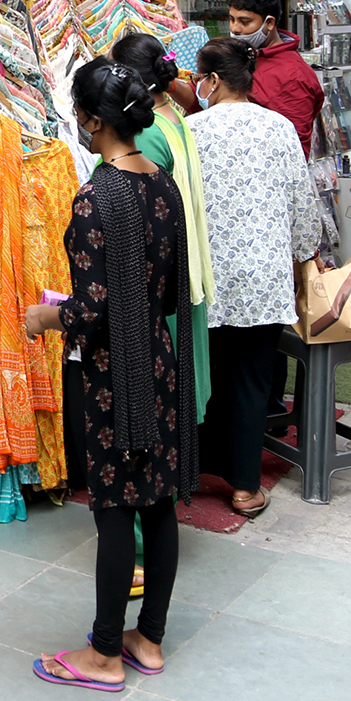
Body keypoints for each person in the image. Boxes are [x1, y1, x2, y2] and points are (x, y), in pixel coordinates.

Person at [25, 57, 197, 692]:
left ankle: (102, 654)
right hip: (158, 361)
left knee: (115, 508)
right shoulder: (163, 185)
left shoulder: (97, 197)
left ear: (92, 122)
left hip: (110, 375)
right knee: (157, 502)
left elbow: (90, 310)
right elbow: (171, 293)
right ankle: (147, 639)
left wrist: (46, 316)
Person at [188, 36, 321, 517]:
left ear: (213, 80)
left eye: (199, 77)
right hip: (263, 278)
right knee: (251, 380)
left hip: (208, 277)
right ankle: (245, 487)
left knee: (206, 373)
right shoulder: (279, 128)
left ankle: (194, 470)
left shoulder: (191, 130)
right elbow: (302, 205)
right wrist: (305, 259)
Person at [110, 32, 215, 597]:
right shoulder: (173, 116)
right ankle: (156, 533)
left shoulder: (146, 136)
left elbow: (135, 224)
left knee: (145, 417)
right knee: (169, 413)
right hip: (184, 282)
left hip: (157, 294)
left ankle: (141, 554)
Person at [227, 0, 324, 156]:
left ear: (269, 23)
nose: (235, 29)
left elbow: (293, 147)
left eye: (244, 22)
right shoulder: (240, 55)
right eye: (231, 19)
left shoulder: (294, 77)